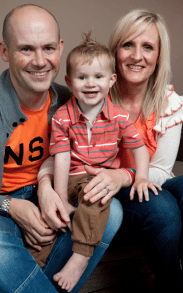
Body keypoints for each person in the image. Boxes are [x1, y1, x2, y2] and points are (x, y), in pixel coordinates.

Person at [0, 4, 123, 293]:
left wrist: (46, 187)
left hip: (53, 192)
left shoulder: (69, 99)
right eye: (26, 49)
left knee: (113, 210)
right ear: (4, 51)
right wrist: (11, 206)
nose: (40, 61)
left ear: (60, 48)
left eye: (48, 48)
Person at [38, 32, 160, 292]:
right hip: (69, 178)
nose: (90, 84)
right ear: (70, 82)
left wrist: (140, 177)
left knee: (97, 198)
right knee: (46, 220)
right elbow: (59, 157)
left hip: (96, 179)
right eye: (82, 78)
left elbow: (139, 148)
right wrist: (60, 197)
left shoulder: (119, 116)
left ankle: (81, 256)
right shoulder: (62, 117)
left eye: (98, 77)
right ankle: (34, 264)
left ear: (111, 80)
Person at [81, 10, 183, 292]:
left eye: (148, 47)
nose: (137, 56)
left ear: (159, 56)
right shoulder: (94, 92)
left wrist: (125, 176)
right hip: (108, 196)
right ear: (115, 51)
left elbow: (162, 170)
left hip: (140, 182)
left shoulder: (170, 102)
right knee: (162, 208)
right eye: (128, 45)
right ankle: (171, 283)